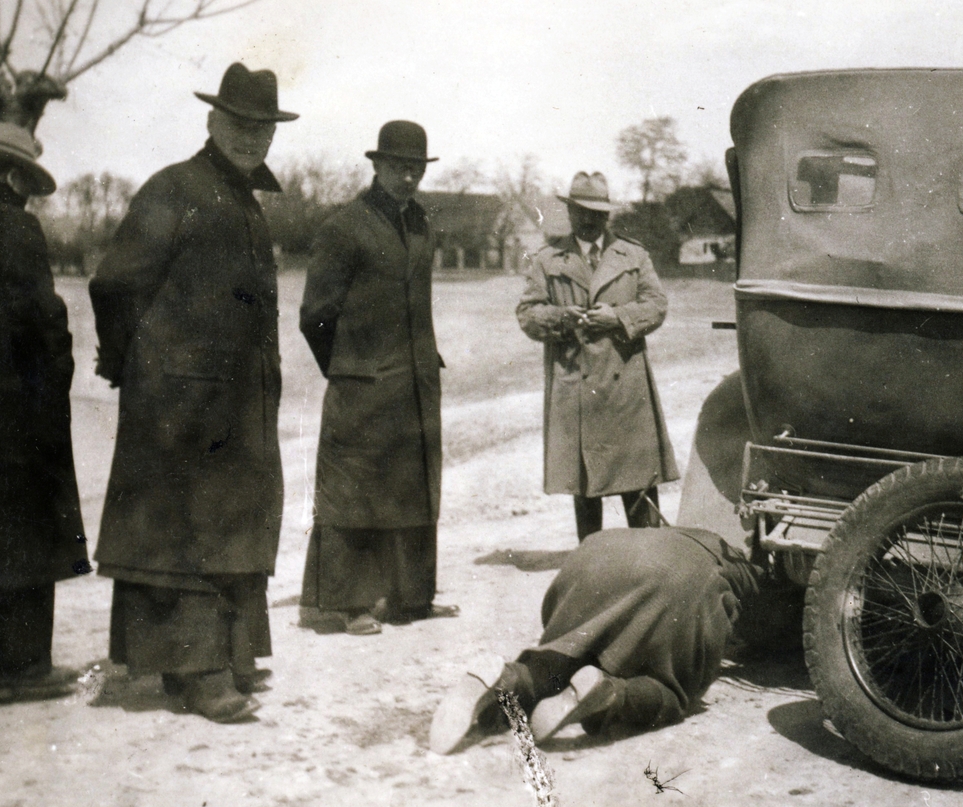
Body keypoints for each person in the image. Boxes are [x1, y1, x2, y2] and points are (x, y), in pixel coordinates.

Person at [88, 63, 297, 723]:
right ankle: (197, 672)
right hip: (179, 405)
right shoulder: (175, 188)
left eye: (262, 129)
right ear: (212, 121)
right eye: (240, 125)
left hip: (238, 403)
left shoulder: (244, 201)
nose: (251, 139)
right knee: (189, 532)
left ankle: (224, 657)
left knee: (234, 523)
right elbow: (115, 283)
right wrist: (139, 367)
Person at [297, 121, 456, 636]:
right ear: (376, 165)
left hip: (415, 382)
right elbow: (315, 315)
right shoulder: (344, 227)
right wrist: (348, 368)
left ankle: (412, 597)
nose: (408, 177)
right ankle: (346, 604)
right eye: (398, 167)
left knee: (414, 486)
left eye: (416, 168)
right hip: (362, 385)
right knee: (354, 490)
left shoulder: (423, 225)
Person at [428, 527, 763, 753]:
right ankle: (610, 694)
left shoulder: (672, 530)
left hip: (597, 552)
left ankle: (512, 677)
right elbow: (730, 623)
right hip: (677, 579)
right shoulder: (741, 570)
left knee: (565, 656)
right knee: (671, 693)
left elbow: (551, 610)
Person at [0, 122, 90, 703]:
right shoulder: (16, 229)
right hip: (11, 412)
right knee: (34, 528)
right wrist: (55, 384)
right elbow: (43, 325)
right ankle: (14, 668)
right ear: (16, 175)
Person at [516, 172, 679, 541]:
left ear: (608, 216)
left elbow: (657, 305)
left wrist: (618, 317)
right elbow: (527, 314)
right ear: (570, 212)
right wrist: (560, 317)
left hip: (625, 387)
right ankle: (592, 564)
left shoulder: (633, 255)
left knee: (637, 480)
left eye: (598, 213)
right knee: (585, 484)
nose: (590, 220)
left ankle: (647, 560)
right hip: (577, 386)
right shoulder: (548, 259)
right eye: (582, 212)